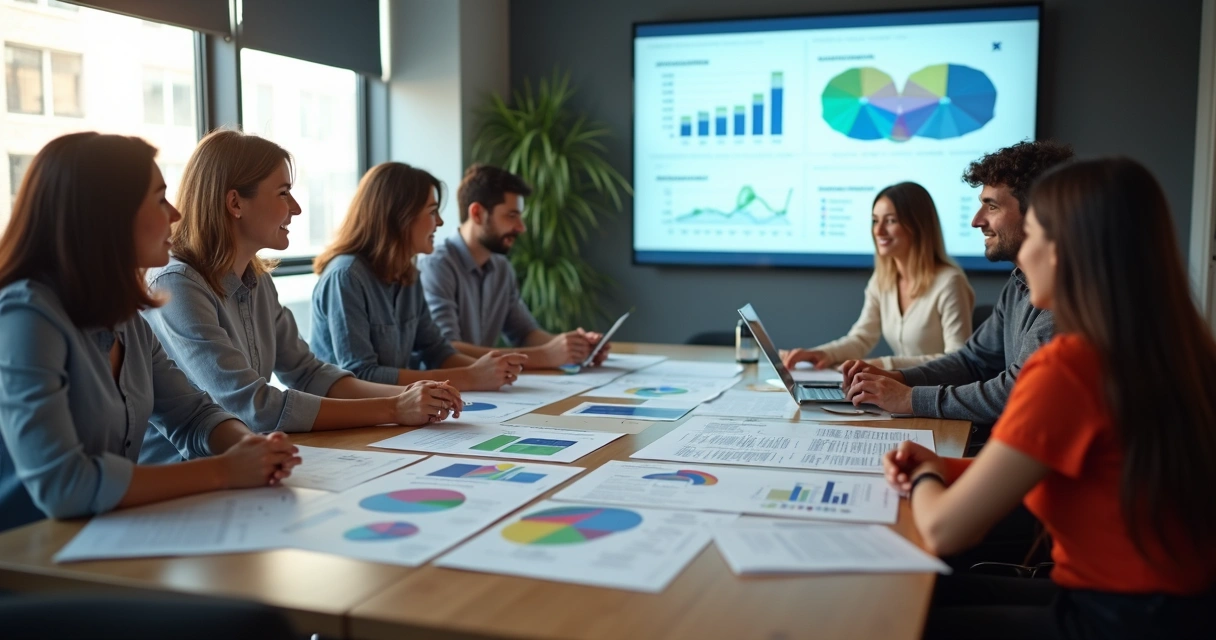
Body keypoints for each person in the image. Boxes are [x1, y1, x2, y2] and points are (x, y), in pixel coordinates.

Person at [884, 158, 1216, 639]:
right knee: (933, 592)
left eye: (1035, 234)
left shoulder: (1069, 365)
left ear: (1065, 250)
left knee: (898, 613)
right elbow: (1043, 460)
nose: (1026, 255)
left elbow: (942, 530)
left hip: (1112, 618)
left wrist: (926, 474)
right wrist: (942, 465)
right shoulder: (1174, 346)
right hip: (1170, 611)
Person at [0, 132, 300, 533]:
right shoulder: (26, 317)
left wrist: (248, 446)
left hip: (107, 538)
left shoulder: (126, 318)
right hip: (30, 562)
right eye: (160, 199)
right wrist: (225, 471)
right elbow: (63, 485)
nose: (175, 214)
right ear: (108, 214)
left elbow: (192, 414)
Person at [139, 129, 461, 465]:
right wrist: (395, 407)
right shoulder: (176, 284)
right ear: (235, 203)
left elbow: (308, 374)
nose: (296, 208)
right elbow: (253, 407)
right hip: (183, 481)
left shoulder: (258, 281)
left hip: (247, 467)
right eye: (283, 193)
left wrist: (413, 395)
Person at [842, 140, 1073, 427]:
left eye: (992, 206)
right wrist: (899, 379)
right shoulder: (1017, 284)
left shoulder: (1068, 298)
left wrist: (910, 398)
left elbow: (1016, 392)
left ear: (1039, 213)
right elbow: (972, 361)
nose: (976, 221)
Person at [311, 162, 527, 389]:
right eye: (432, 211)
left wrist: (487, 371)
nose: (440, 222)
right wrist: (470, 377)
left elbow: (436, 349)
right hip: (349, 419)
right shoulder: (346, 277)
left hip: (393, 412)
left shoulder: (407, 274)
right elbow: (361, 375)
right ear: (399, 216)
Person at [419, 164, 609, 369]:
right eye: (511, 215)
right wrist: (545, 356)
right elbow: (447, 350)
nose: (521, 227)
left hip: (484, 388)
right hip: (448, 391)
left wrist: (573, 347)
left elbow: (525, 333)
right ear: (477, 213)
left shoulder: (501, 267)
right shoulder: (437, 266)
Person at [780, 182, 974, 370]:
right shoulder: (883, 280)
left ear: (918, 226)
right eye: (875, 221)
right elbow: (862, 338)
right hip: (902, 391)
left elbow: (956, 359)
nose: (878, 231)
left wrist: (886, 365)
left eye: (890, 221)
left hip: (937, 396)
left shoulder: (949, 282)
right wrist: (822, 354)